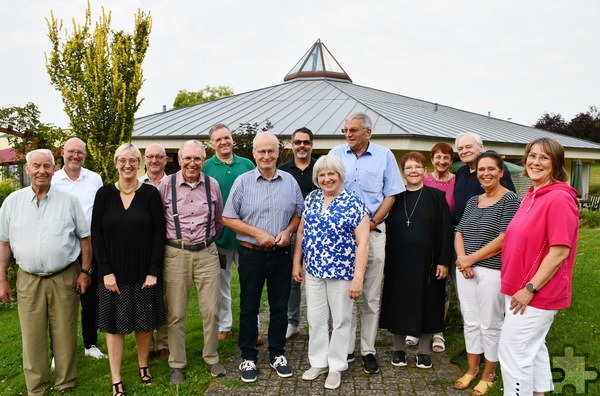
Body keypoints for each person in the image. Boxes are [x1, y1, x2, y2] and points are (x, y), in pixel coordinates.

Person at [0, 149, 92, 395]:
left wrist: (85, 271)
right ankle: (37, 387)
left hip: (64, 276)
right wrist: (2, 281)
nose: (42, 171)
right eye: (36, 166)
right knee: (32, 336)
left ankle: (65, 383)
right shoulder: (12, 202)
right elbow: (4, 243)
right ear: (28, 169)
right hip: (28, 279)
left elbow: (85, 239)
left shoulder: (68, 201)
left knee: (65, 331)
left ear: (54, 169)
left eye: (47, 166)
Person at [499, 138, 579, 396]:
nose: (535, 162)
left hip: (535, 293)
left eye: (544, 157)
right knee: (534, 349)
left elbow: (559, 252)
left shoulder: (558, 198)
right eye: (532, 156)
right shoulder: (532, 195)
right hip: (519, 289)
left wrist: (530, 289)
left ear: (556, 163)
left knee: (513, 355)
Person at [223, 132, 303, 383]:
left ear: (278, 153)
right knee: (249, 306)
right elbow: (227, 217)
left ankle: (277, 353)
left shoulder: (289, 181)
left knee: (279, 307)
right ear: (254, 154)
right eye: (261, 152)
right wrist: (256, 232)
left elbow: (299, 213)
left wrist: (288, 231)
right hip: (251, 253)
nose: (266, 156)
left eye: (271, 151)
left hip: (281, 253)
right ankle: (248, 356)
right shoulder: (243, 182)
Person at [330, 112, 404, 374]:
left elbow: (391, 195)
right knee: (344, 296)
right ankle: (346, 348)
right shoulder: (336, 154)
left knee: (371, 297)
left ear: (368, 133)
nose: (348, 134)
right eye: (346, 130)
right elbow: (328, 188)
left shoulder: (385, 156)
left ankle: (368, 349)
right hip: (342, 238)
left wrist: (370, 223)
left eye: (353, 130)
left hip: (373, 234)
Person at [92, 143, 166, 396]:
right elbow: (96, 234)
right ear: (115, 163)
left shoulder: (150, 194)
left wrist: (153, 270)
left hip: (144, 272)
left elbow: (159, 234)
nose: (127, 165)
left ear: (140, 164)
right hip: (114, 274)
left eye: (133, 160)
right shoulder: (104, 195)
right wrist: (105, 271)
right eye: (122, 160)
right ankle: (116, 378)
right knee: (115, 326)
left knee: (144, 323)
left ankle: (143, 366)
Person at [293, 154, 369, 389]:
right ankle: (318, 362)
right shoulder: (312, 198)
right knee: (315, 319)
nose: (327, 179)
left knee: (341, 320)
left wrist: (358, 278)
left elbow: (363, 243)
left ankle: (336, 366)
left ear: (340, 175)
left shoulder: (354, 202)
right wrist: (297, 262)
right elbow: (301, 233)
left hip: (343, 274)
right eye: (322, 175)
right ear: (317, 178)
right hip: (314, 271)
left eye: (331, 174)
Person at [157, 140, 227, 383]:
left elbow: (218, 221)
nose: (192, 163)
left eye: (197, 159)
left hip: (207, 252)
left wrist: (207, 242)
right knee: (175, 312)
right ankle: (177, 362)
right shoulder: (166, 185)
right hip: (176, 253)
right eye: (187, 158)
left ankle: (211, 356)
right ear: (179, 159)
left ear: (203, 160)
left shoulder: (212, 185)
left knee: (211, 309)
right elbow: (158, 221)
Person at [453, 151, 520, 395]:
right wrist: (463, 260)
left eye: (491, 169)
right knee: (470, 321)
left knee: (490, 323)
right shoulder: (473, 201)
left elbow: (504, 239)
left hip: (492, 271)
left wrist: (471, 259)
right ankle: (471, 370)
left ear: (501, 172)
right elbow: (459, 232)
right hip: (466, 270)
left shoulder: (510, 200)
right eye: (481, 169)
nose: (486, 173)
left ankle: (489, 373)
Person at [379, 152, 453, 370]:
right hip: (399, 262)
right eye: (409, 167)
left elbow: (447, 231)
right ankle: (398, 349)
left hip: (428, 262)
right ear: (403, 172)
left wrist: (443, 261)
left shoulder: (436, 197)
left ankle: (423, 351)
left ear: (424, 170)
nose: (413, 171)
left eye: (417, 167)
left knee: (428, 303)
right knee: (399, 303)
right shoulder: (394, 197)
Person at [52, 137, 106, 360]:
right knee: (60, 304)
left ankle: (90, 344)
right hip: (62, 248)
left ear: (85, 154)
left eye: (80, 152)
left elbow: (100, 212)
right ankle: (58, 353)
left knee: (90, 299)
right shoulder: (53, 179)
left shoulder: (94, 179)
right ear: (62, 153)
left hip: (90, 248)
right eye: (71, 152)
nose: (76, 156)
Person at [203, 124, 255, 342]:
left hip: (246, 237)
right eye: (219, 139)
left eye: (227, 137)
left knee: (250, 284)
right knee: (222, 285)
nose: (224, 142)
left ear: (232, 140)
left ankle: (253, 327)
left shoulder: (247, 164)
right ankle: (225, 326)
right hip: (221, 238)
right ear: (212, 143)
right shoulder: (206, 167)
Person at [278, 127, 318, 340]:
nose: (302, 146)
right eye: (297, 142)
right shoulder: (283, 171)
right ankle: (292, 322)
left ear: (312, 144)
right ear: (292, 145)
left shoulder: (320, 169)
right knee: (292, 279)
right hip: (292, 231)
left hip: (319, 234)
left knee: (317, 279)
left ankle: (317, 323)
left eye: (306, 142)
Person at [422, 142, 456, 353]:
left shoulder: (457, 181)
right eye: (438, 157)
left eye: (446, 158)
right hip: (424, 239)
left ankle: (438, 331)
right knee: (421, 283)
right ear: (432, 159)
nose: (442, 161)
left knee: (443, 284)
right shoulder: (423, 180)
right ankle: (418, 326)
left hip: (447, 238)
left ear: (452, 160)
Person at [139, 143, 170, 359]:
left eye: (159, 156)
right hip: (143, 248)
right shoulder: (137, 185)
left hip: (170, 246)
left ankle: (164, 343)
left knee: (167, 295)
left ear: (166, 160)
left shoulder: (175, 183)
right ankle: (146, 343)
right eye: (150, 156)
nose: (154, 160)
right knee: (144, 295)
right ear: (144, 159)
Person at [453, 132, 515, 227]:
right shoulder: (460, 172)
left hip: (487, 233)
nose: (464, 151)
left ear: (481, 147)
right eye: (460, 148)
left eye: (468, 147)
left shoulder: (496, 171)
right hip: (459, 232)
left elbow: (509, 204)